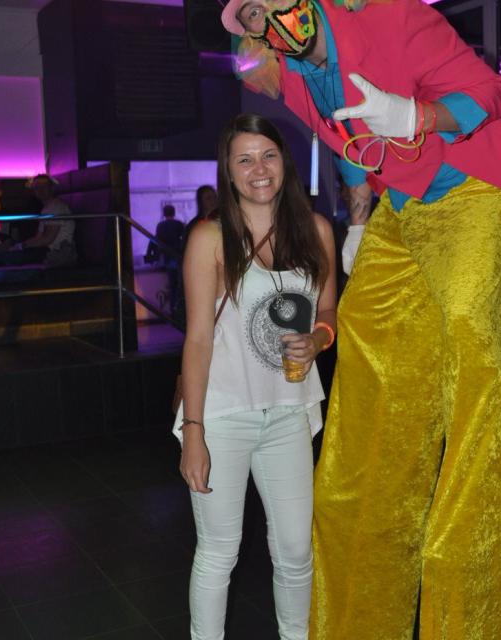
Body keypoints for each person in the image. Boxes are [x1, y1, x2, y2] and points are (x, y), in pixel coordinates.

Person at [221, 0, 501, 638]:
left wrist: (416, 116)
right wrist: (357, 219)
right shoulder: (296, 80)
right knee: (367, 364)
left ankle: (474, 613)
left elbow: (488, 92)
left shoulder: (391, 16)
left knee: (473, 362)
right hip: (402, 207)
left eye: (271, 3)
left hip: (472, 185)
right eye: (254, 16)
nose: (271, 21)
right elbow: (348, 146)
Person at [172, 113, 336, 640]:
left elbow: (328, 310)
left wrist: (319, 339)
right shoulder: (210, 237)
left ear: (284, 162)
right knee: (219, 551)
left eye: (267, 155)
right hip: (223, 415)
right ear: (228, 170)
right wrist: (193, 432)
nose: (258, 169)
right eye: (244, 159)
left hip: (289, 411)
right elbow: (198, 340)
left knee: (295, 550)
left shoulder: (316, 231)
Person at [0, 174, 77, 267]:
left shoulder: (56, 207)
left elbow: (47, 239)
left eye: (44, 186)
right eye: (37, 187)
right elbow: (39, 237)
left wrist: (22, 246)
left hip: (56, 252)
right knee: (3, 255)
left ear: (51, 188)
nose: (40, 190)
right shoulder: (46, 208)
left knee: (3, 258)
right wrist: (19, 246)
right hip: (45, 249)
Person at [145, 204, 185, 311]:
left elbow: (156, 240)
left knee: (172, 284)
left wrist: (152, 256)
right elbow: (185, 238)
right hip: (178, 256)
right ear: (174, 212)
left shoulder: (160, 226)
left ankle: (173, 308)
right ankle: (179, 308)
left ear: (164, 214)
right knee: (180, 284)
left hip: (167, 257)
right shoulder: (179, 224)